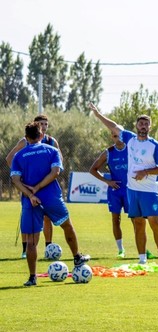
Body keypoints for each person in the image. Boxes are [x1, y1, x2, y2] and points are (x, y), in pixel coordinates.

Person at [10, 121, 90, 286]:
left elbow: (15, 179)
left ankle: (32, 278)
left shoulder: (19, 155)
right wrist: (39, 187)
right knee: (67, 225)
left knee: (32, 241)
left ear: (26, 138)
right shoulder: (52, 150)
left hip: (30, 201)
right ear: (41, 135)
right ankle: (76, 257)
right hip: (51, 197)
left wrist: (30, 194)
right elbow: (56, 172)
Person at [90, 103, 158, 268]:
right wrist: (98, 114)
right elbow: (113, 126)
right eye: (140, 123)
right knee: (139, 223)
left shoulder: (155, 146)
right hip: (132, 190)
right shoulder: (129, 138)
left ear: (150, 127)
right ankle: (142, 259)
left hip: (149, 190)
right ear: (136, 126)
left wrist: (145, 172)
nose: (143, 126)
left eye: (146, 124)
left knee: (155, 222)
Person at [5, 113, 61, 257]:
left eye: (46, 124)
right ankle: (26, 249)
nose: (44, 127)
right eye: (41, 124)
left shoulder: (52, 142)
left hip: (46, 186)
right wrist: (19, 175)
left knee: (48, 216)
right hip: (28, 186)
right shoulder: (25, 142)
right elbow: (9, 158)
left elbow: (60, 161)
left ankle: (48, 248)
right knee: (27, 215)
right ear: (35, 125)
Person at [89, 131, 129, 258]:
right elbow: (93, 169)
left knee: (136, 219)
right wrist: (107, 181)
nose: (118, 138)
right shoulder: (108, 152)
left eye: (120, 136)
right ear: (112, 137)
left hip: (130, 190)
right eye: (115, 136)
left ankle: (142, 249)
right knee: (116, 219)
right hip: (115, 191)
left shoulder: (132, 149)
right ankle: (121, 249)